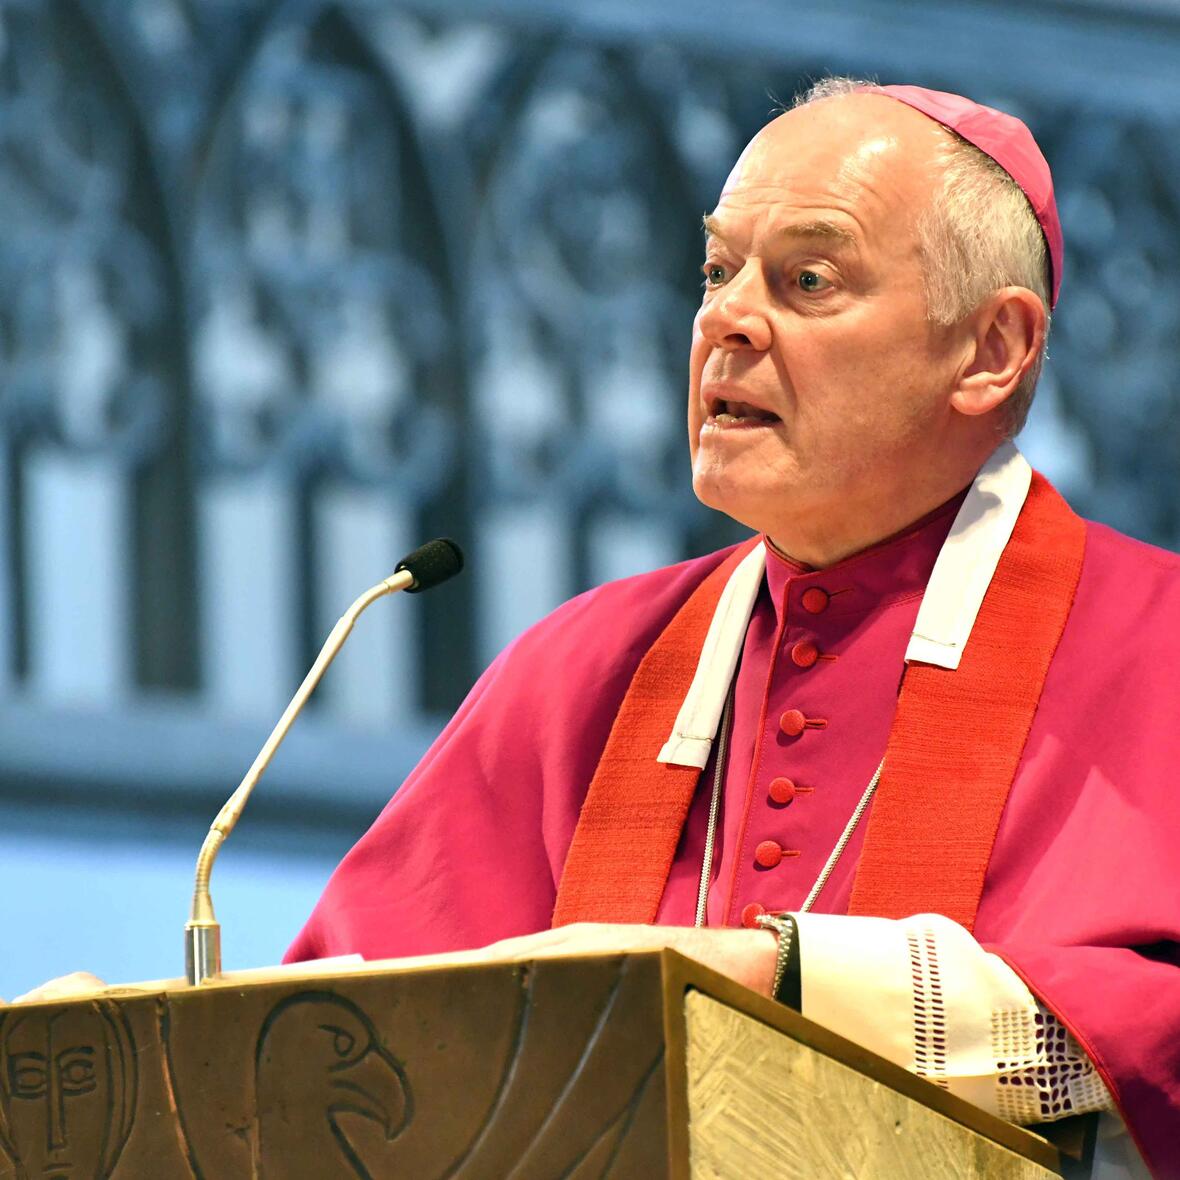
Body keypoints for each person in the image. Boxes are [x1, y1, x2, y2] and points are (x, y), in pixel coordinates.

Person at [287, 79, 1180, 1179]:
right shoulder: (583, 668)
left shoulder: (1158, 648)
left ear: (990, 348)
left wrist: (773, 979)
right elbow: (341, 1042)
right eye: (716, 272)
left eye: (807, 279)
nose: (727, 319)